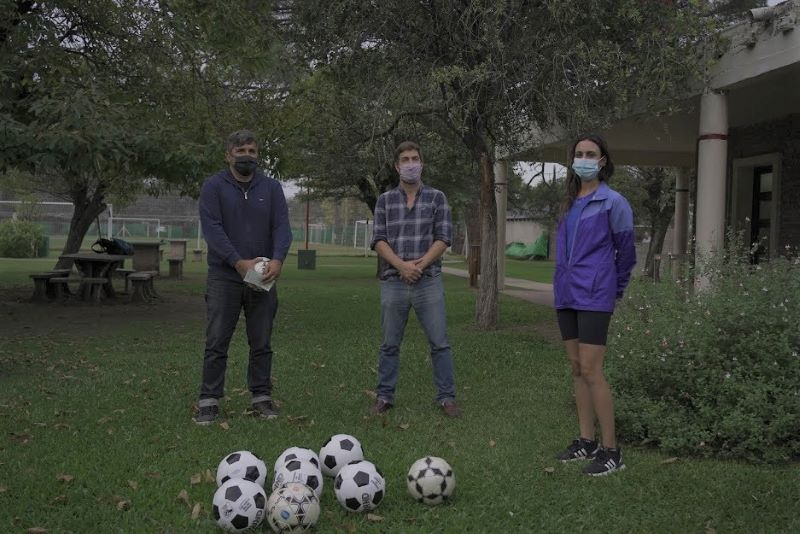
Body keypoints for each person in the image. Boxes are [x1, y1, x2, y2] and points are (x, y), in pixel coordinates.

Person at [194, 130, 292, 425]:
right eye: (240, 151)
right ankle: (209, 400)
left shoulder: (271, 188)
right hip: (224, 276)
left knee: (261, 340)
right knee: (217, 340)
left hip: (262, 275)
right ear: (228, 155)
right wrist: (238, 263)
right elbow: (213, 229)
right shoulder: (213, 187)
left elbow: (282, 226)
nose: (247, 155)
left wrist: (278, 259)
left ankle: (261, 396)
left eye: (251, 150)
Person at [553, 133, 636, 475]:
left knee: (591, 370)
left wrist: (613, 289)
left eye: (591, 154)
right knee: (576, 368)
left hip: (595, 293)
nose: (584, 159)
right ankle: (586, 441)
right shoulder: (568, 203)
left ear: (602, 161)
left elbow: (626, 254)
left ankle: (612, 451)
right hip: (566, 293)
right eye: (579, 153)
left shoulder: (613, 202)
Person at [368, 140, 460, 418]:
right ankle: (384, 396)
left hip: (428, 280)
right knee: (389, 344)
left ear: (422, 163)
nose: (411, 164)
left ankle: (446, 398)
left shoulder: (437, 198)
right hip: (393, 282)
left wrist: (419, 265)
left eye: (415, 159)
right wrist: (401, 266)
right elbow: (379, 240)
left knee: (439, 343)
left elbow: (444, 237)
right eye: (405, 160)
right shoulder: (385, 201)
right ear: (397, 167)